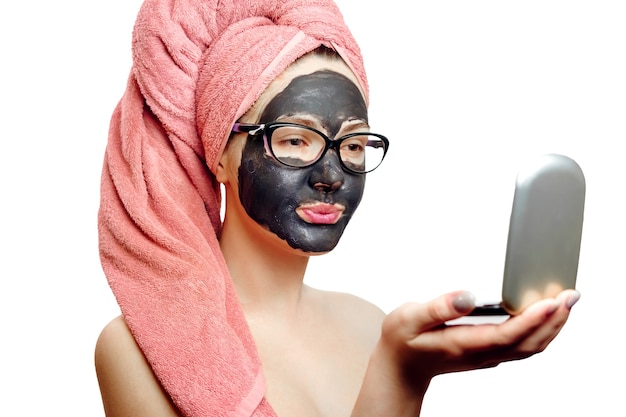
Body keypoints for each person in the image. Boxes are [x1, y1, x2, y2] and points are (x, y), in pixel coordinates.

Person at [94, 1, 581, 416]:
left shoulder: (369, 323)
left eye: (352, 144)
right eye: (295, 140)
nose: (331, 175)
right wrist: (399, 376)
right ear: (219, 154)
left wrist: (402, 362)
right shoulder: (138, 349)